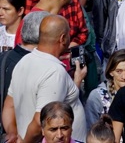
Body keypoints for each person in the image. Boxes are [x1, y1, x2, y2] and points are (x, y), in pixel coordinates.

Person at [9, 15, 87, 143]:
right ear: (62, 38)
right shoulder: (54, 72)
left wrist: (12, 134)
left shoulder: (24, 61)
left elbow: (9, 106)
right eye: (68, 34)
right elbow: (40, 121)